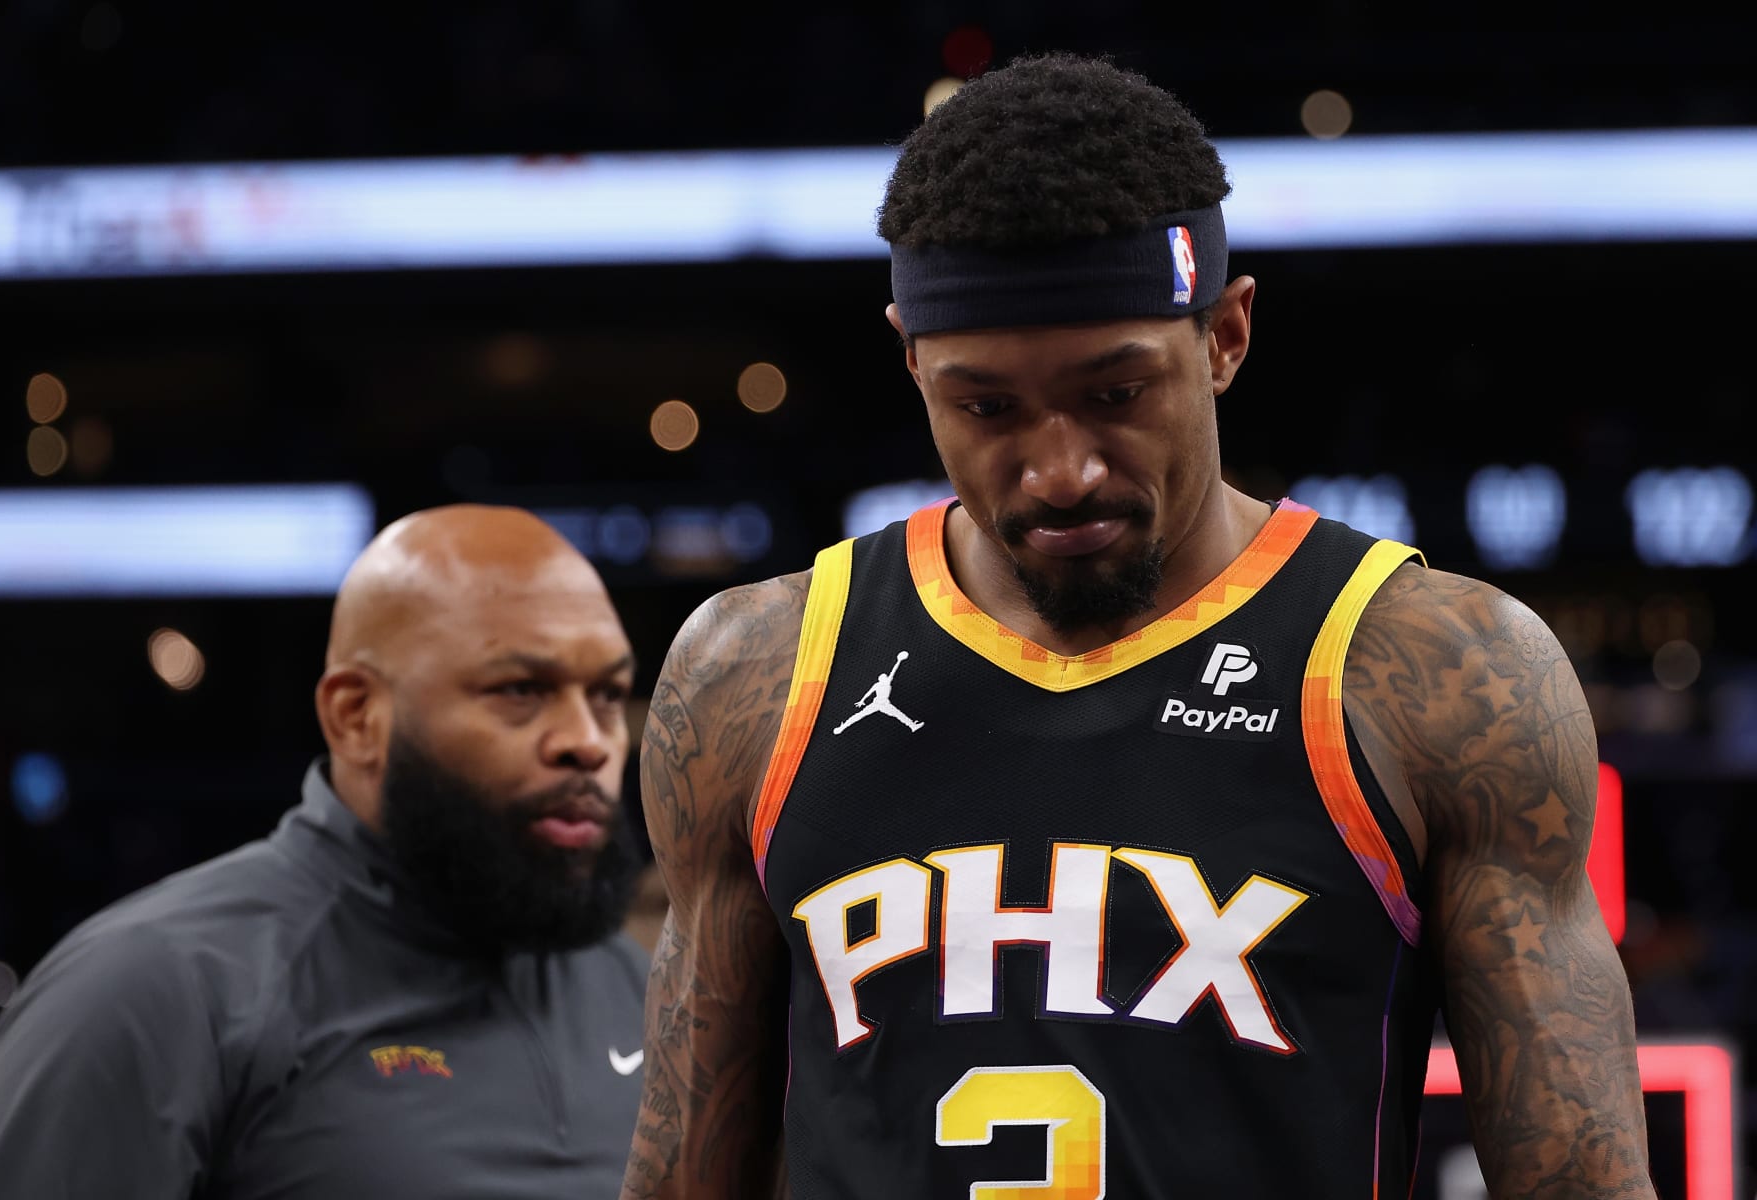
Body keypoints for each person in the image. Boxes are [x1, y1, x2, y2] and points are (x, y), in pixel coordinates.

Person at [620, 52, 1654, 1199]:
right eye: (985, 407)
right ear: (910, 357)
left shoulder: (1438, 671)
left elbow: (1579, 1186)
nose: (1061, 470)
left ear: (1225, 335)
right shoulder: (756, 671)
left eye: (1116, 394)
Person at [0, 505, 650, 1199]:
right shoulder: (147, 992)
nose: (588, 741)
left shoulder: (648, 992)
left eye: (608, 695)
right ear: (356, 717)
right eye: (521, 690)